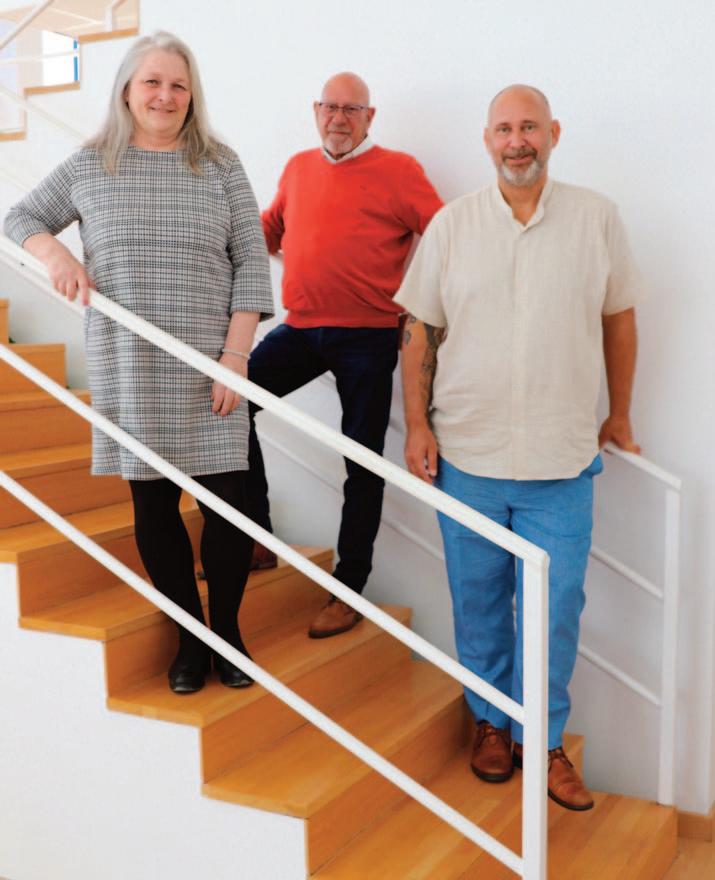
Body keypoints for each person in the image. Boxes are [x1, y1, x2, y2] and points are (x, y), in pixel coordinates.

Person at [395, 84, 643, 811]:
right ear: (486, 139)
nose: (516, 141)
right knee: (477, 603)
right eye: (503, 128)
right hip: (466, 457)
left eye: (528, 126)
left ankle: (545, 740)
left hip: (561, 462)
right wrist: (416, 426)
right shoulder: (452, 225)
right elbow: (418, 331)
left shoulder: (596, 218)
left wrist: (619, 413)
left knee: (554, 609)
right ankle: (490, 725)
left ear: (553, 133)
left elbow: (620, 320)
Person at [3, 31, 273, 695]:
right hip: (129, 366)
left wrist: (235, 357)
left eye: (178, 85)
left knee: (228, 508)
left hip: (212, 367)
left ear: (192, 96)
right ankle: (189, 639)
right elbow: (20, 216)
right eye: (152, 82)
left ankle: (227, 633)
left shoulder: (221, 165)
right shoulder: (91, 163)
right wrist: (56, 254)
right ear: (127, 89)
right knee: (154, 508)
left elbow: (251, 263)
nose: (165, 96)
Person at [248, 72, 443, 639]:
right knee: (227, 406)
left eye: (351, 109)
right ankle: (255, 535)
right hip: (301, 328)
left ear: (369, 117)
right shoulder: (298, 168)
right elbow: (268, 230)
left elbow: (445, 236)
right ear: (316, 111)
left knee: (362, 463)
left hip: (368, 336)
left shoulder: (399, 170)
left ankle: (348, 589)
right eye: (329, 107)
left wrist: (417, 303)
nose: (338, 118)